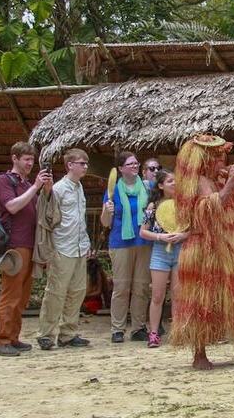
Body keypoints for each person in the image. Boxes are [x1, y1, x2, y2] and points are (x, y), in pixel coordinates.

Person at [169, 135, 234, 370]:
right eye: (217, 158)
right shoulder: (198, 181)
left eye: (223, 157)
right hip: (203, 250)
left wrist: (227, 179)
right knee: (202, 300)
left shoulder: (216, 179)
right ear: (205, 159)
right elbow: (210, 209)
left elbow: (229, 208)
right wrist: (231, 182)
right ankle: (199, 354)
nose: (222, 161)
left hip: (226, 247)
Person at [0, 142, 52, 356]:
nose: (29, 163)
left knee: (22, 295)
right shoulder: (4, 180)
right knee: (10, 293)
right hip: (14, 244)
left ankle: (13, 337)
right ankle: (2, 341)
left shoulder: (26, 183)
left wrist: (45, 189)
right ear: (15, 158)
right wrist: (35, 187)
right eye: (26, 159)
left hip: (30, 244)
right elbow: (11, 206)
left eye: (32, 160)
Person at [36, 148, 92, 350]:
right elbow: (47, 214)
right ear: (70, 165)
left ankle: (68, 333)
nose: (85, 167)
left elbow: (80, 219)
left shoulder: (79, 187)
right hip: (62, 247)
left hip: (79, 247)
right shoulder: (58, 188)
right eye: (81, 163)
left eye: (86, 163)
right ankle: (46, 334)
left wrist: (86, 242)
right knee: (56, 292)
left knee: (77, 291)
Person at [101, 152, 152, 343]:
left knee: (141, 287)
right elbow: (105, 223)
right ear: (120, 169)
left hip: (143, 242)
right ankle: (117, 329)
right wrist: (107, 211)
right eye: (130, 164)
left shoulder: (147, 187)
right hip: (121, 243)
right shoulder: (113, 190)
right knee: (121, 287)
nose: (135, 166)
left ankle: (138, 327)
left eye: (136, 163)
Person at [139, 169, 188, 348]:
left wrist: (182, 235)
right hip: (160, 251)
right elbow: (143, 231)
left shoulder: (184, 205)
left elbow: (194, 228)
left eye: (176, 180)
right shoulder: (153, 206)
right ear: (160, 186)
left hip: (180, 249)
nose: (174, 183)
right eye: (169, 181)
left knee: (178, 295)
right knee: (157, 296)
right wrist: (161, 237)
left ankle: (177, 331)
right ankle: (153, 333)